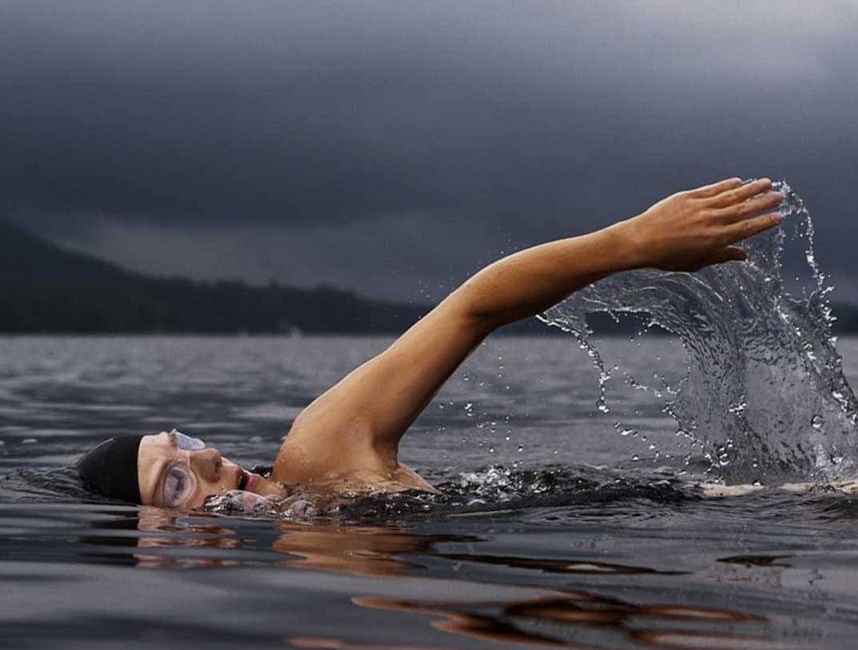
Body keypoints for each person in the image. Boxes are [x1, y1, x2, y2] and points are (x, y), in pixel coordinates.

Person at [76, 177, 783, 509]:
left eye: (185, 442)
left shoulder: (318, 457)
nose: (206, 456)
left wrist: (631, 243)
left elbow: (472, 308)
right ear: (155, 544)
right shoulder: (311, 564)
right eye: (174, 480)